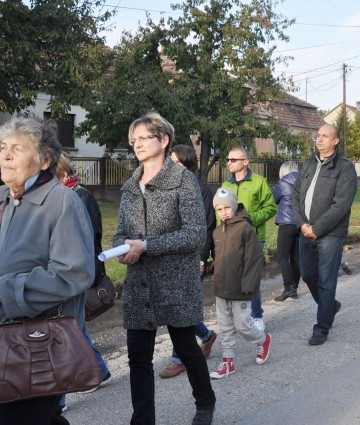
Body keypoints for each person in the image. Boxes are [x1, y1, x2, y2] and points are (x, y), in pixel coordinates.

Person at [113, 112, 215, 425]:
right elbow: (120, 232)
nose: (137, 144)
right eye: (134, 140)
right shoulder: (131, 186)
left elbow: (195, 234)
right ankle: (142, 420)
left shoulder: (183, 180)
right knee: (138, 358)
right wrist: (122, 249)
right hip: (139, 284)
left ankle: (205, 403)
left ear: (164, 140)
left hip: (176, 282)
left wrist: (147, 246)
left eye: (144, 138)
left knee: (186, 348)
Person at [0, 117, 95, 425]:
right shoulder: (3, 198)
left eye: (17, 148)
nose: (6, 155)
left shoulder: (62, 202)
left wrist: (6, 291)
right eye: (3, 147)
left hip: (37, 346)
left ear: (44, 160)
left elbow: (73, 274)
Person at [55, 154, 112, 412]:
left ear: (64, 174)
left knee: (67, 330)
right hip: (65, 272)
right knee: (73, 327)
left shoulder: (81, 196)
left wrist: (82, 273)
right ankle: (99, 369)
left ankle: (58, 400)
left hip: (76, 272)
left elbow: (88, 238)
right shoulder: (61, 196)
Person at [293, 124, 357, 346]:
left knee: (326, 282)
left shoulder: (345, 168)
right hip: (305, 230)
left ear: (335, 141)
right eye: (318, 136)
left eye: (325, 136)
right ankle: (331, 306)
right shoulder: (309, 164)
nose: (319, 140)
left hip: (330, 234)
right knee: (308, 275)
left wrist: (317, 229)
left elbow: (341, 205)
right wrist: (302, 224)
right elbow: (295, 195)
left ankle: (321, 328)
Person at [158, 145, 218, 379]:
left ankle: (178, 358)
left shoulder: (201, 189)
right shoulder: (166, 186)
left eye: (176, 162)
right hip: (170, 257)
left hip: (192, 258)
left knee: (180, 308)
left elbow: (206, 226)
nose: (171, 166)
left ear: (187, 164)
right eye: (169, 161)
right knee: (175, 308)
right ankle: (206, 336)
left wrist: (202, 258)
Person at [208, 188, 272, 379]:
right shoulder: (217, 231)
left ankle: (262, 339)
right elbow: (219, 259)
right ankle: (228, 361)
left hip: (241, 288)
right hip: (221, 287)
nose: (224, 212)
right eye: (219, 209)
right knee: (225, 326)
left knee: (243, 325)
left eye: (227, 207)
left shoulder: (245, 228)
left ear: (234, 206)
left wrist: (248, 285)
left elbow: (253, 258)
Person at [221, 147, 276, 332]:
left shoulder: (259, 182)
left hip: (253, 237)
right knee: (234, 279)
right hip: (231, 239)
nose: (229, 162)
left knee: (250, 279)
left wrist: (250, 218)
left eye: (233, 159)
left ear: (245, 162)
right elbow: (219, 210)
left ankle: (256, 315)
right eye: (228, 159)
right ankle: (240, 318)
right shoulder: (225, 185)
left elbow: (271, 208)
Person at [273, 161, 302, 301]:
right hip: (301, 223)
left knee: (282, 257)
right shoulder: (304, 181)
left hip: (286, 223)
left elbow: (274, 199)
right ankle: (294, 288)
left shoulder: (282, 183)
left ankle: (287, 287)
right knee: (296, 258)